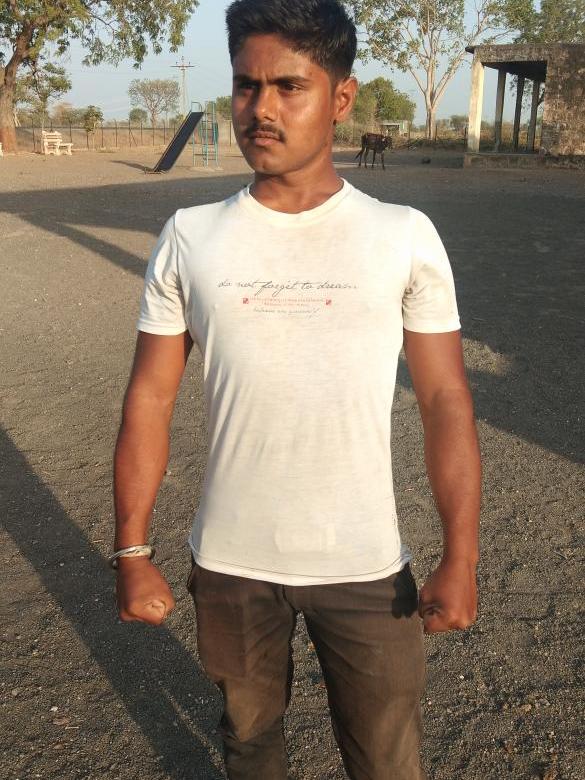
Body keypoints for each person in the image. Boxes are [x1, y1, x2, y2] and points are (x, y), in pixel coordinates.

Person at [112, 1, 481, 778]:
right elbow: (149, 397)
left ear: (341, 98)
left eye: (288, 86)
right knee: (249, 743)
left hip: (365, 567)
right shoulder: (190, 236)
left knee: (386, 759)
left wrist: (461, 555)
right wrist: (132, 549)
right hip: (231, 565)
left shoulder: (401, 236)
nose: (261, 109)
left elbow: (444, 400)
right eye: (246, 86)